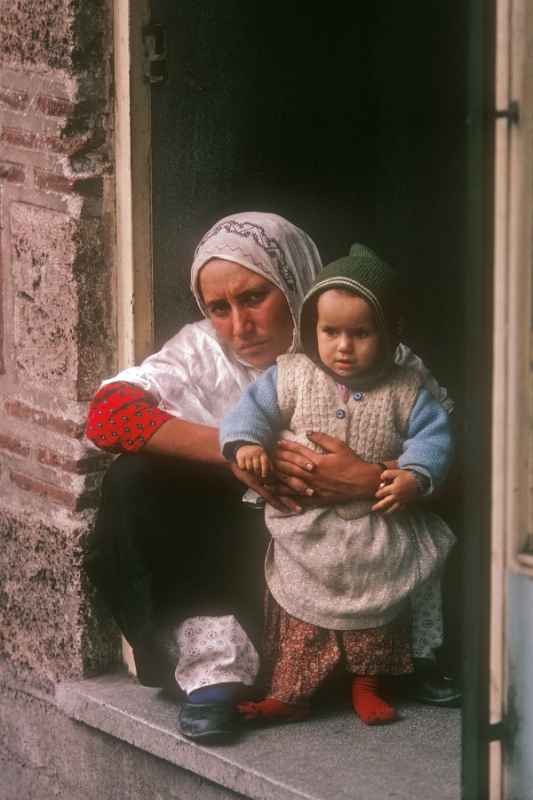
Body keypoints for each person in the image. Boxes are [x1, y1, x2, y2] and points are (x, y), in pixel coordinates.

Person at [85, 213, 458, 745]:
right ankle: (218, 672)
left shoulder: (366, 346)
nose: (240, 326)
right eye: (219, 308)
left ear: (295, 285)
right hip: (245, 555)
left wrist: (365, 478)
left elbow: (452, 454)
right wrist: (241, 456)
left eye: (255, 297)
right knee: (133, 478)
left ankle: (400, 661)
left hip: (360, 547)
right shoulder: (201, 355)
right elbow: (108, 416)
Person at [220, 244, 456, 725]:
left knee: (380, 606)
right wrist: (244, 443)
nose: (343, 346)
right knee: (301, 613)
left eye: (361, 333)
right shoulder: (291, 375)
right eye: (330, 332)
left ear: (390, 334)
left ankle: (369, 682)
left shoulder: (407, 387)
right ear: (311, 329)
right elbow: (251, 411)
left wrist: (414, 475)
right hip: (309, 531)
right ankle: (292, 692)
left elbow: (435, 437)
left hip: (375, 529)